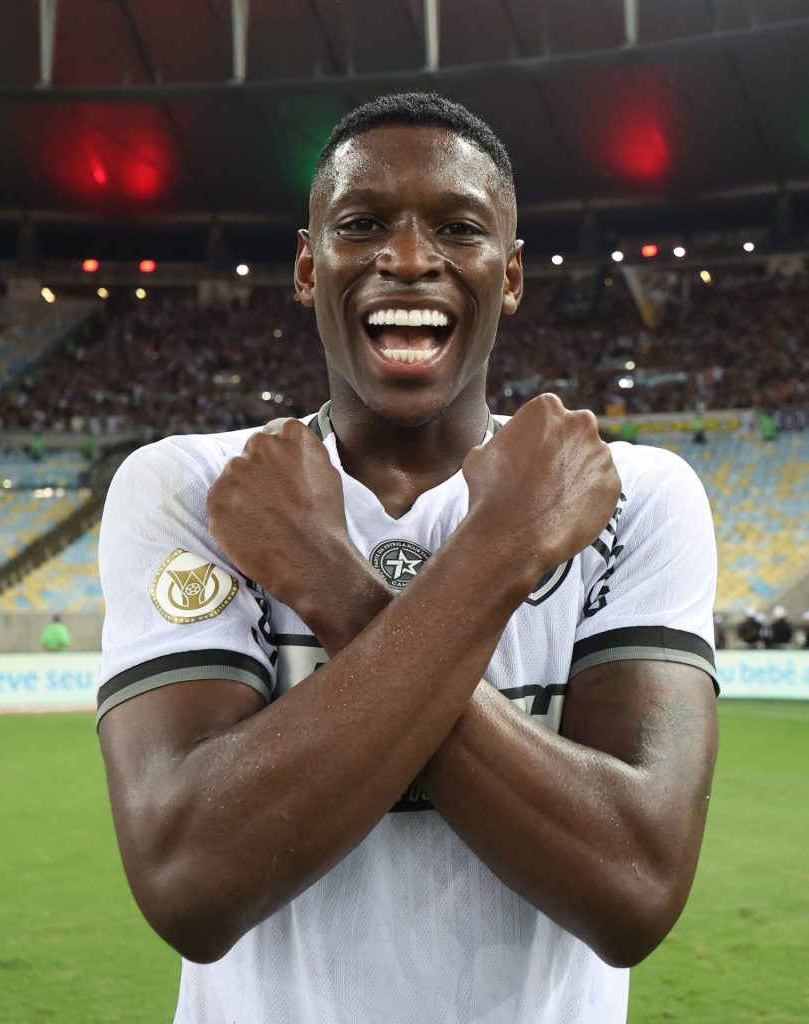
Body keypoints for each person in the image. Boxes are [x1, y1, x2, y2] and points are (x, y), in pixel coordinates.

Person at [96, 93, 719, 1024]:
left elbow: (631, 887)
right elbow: (192, 881)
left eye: (458, 228)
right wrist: (505, 553)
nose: (409, 258)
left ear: (508, 277)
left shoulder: (631, 494)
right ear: (310, 267)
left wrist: (337, 585)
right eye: (362, 224)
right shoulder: (194, 489)